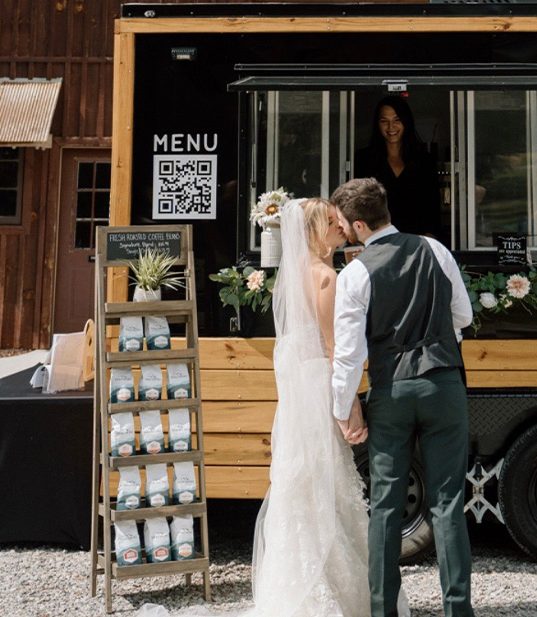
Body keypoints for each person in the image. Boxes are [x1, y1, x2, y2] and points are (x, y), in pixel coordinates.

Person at [137, 197, 410, 617]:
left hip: (300, 391)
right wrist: (350, 405)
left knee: (305, 481)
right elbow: (335, 348)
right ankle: (330, 591)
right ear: (314, 231)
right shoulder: (325, 277)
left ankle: (302, 583)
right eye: (331, 222)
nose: (341, 225)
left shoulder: (295, 274)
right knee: (325, 482)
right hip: (320, 388)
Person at [330, 178, 475, 617]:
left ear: (358, 225)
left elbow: (349, 355)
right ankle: (458, 611)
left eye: (343, 223)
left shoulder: (355, 274)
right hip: (443, 385)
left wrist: (343, 408)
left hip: (391, 389)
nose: (342, 229)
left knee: (386, 508)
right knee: (448, 504)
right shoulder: (436, 250)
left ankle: (383, 612)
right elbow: (463, 315)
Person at [354, 96, 442, 238]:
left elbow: (432, 211)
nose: (391, 127)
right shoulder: (364, 159)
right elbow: (357, 207)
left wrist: (427, 245)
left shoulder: (423, 161)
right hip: (377, 241)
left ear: (406, 122)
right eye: (384, 121)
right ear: (377, 124)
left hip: (415, 242)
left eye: (397, 120)